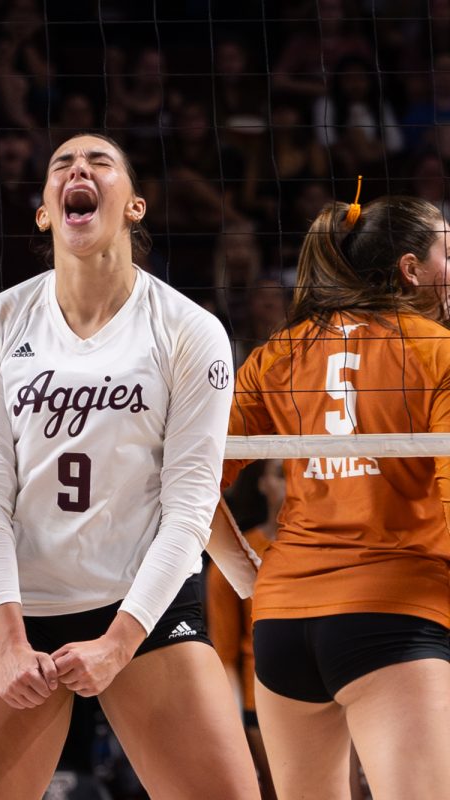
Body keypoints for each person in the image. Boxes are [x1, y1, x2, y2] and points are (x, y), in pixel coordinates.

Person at [0, 132, 258, 799]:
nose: (79, 169)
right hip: (20, 606)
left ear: (134, 206)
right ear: (45, 211)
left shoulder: (189, 329)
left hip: (143, 605)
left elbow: (191, 508)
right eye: (62, 165)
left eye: (99, 162)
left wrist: (119, 643)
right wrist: (5, 642)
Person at [224, 195, 450, 798]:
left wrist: (251, 579)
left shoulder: (277, 352)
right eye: (447, 252)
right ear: (411, 269)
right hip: (395, 615)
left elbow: (187, 486)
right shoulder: (437, 351)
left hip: (281, 625)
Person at [208, 459, 283, 800]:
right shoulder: (232, 559)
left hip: (338, 685)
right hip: (261, 701)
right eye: (282, 475)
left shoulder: (339, 548)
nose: (293, 484)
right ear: (262, 483)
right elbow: (225, 655)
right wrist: (234, 729)